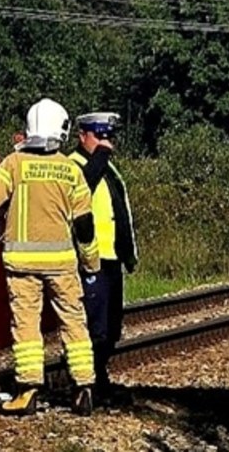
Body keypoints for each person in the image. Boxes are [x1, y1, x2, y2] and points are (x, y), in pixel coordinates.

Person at [0, 98, 100, 416]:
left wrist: (0, 229)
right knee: (74, 323)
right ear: (62, 129)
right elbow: (85, 225)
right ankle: (84, 388)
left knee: (26, 327)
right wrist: (91, 263)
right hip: (62, 265)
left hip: (22, 265)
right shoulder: (71, 170)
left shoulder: (14, 165)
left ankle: (28, 392)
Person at [68, 112, 139, 404]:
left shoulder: (111, 169)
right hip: (90, 260)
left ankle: (100, 377)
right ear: (82, 135)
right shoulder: (74, 166)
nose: (106, 143)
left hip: (112, 258)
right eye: (100, 136)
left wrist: (130, 254)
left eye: (110, 136)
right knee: (94, 328)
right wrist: (99, 158)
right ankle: (88, 383)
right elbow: (81, 191)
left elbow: (120, 214)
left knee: (111, 328)